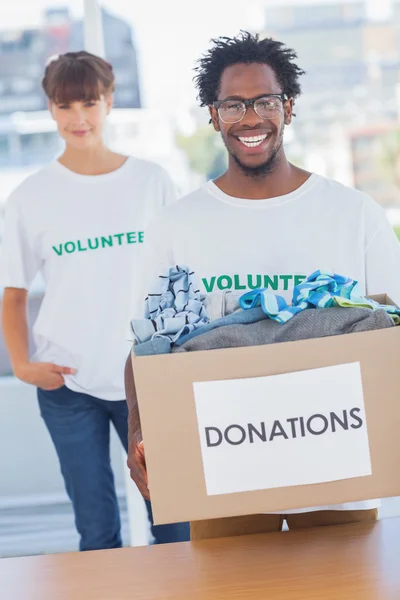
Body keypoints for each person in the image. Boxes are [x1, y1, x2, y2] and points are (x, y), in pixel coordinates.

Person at [125, 32, 400, 538]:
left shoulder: (355, 214)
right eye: (233, 105)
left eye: (265, 101)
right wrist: (138, 430)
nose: (250, 118)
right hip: (223, 470)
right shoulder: (175, 226)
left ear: (288, 108)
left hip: (337, 469)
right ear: (212, 115)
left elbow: (391, 340)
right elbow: (148, 348)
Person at [1, 51, 189, 550]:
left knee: (175, 523)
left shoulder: (152, 182)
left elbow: (183, 279)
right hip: (68, 386)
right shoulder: (30, 197)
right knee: (96, 532)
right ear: (50, 109)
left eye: (89, 102)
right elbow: (14, 293)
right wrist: (22, 364)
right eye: (65, 106)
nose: (78, 118)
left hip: (147, 378)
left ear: (108, 102)